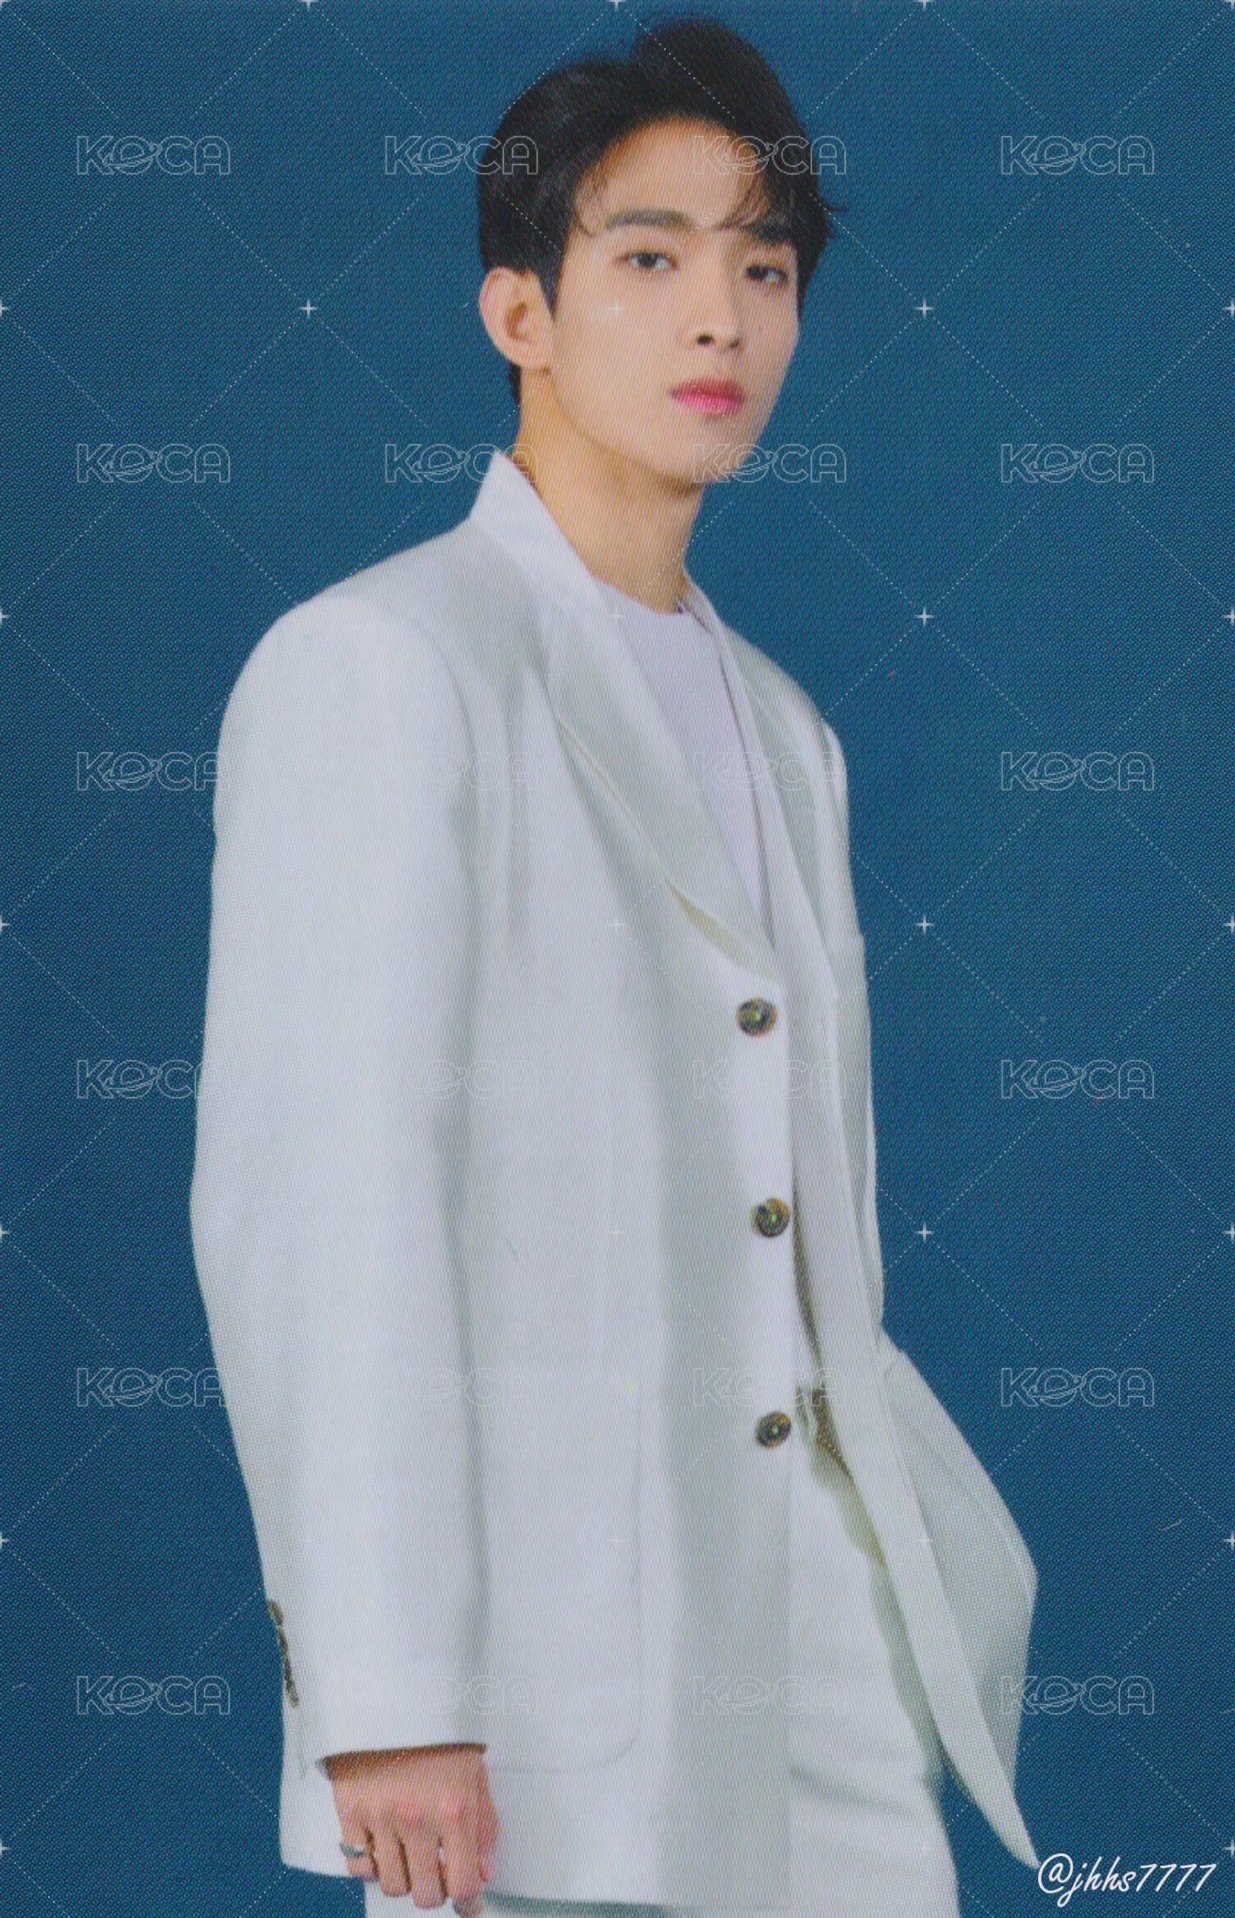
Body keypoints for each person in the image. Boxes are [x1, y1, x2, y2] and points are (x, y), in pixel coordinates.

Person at [190, 17, 1041, 1914]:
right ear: (520, 311)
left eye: (765, 268)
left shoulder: (787, 724)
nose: (719, 316)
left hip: (827, 1650)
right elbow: (323, 1205)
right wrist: (389, 1694)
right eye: (649, 258)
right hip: (540, 1683)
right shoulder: (387, 665)